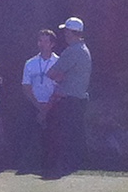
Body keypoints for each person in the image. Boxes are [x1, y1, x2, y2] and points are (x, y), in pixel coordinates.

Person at [45, 15, 93, 175]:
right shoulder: (83, 50)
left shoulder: (72, 51)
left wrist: (62, 76)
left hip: (69, 100)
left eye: (66, 32)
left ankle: (66, 164)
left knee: (65, 135)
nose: (65, 35)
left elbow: (52, 73)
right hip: (78, 99)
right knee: (75, 134)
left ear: (71, 33)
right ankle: (74, 164)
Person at [19, 26, 59, 173]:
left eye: (46, 41)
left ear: (52, 44)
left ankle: (51, 165)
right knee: (31, 136)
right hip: (34, 105)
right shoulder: (30, 63)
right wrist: (38, 106)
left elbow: (59, 87)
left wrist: (47, 107)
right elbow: (26, 86)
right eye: (40, 41)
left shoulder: (58, 62)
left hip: (53, 105)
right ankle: (31, 164)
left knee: (52, 137)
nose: (42, 44)